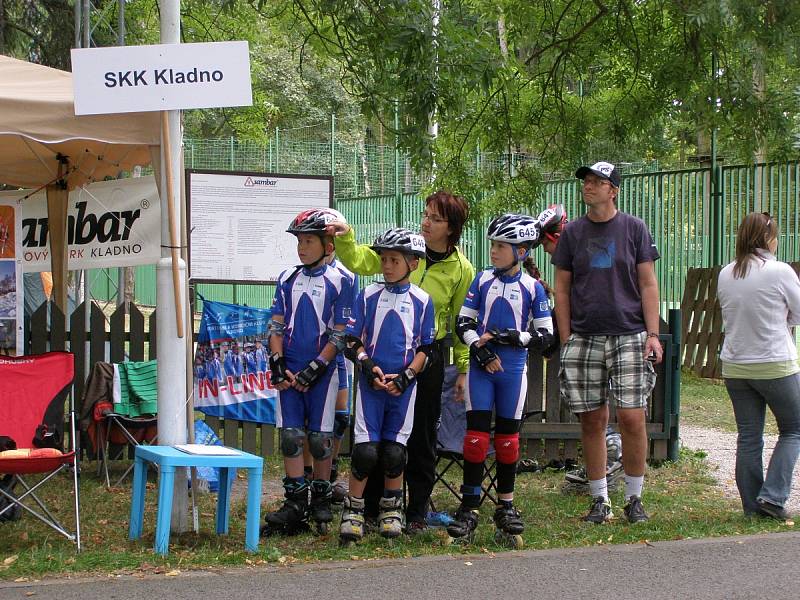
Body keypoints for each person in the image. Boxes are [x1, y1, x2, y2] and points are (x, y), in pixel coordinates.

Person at [328, 190, 475, 533]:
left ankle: (417, 511)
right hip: (382, 356)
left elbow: (460, 322)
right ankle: (372, 507)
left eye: (435, 218)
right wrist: (347, 237)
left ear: (451, 229)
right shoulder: (405, 252)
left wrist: (464, 369)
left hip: (428, 355)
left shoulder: (462, 269)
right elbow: (365, 261)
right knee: (377, 437)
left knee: (421, 436)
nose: (426, 222)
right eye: (425, 214)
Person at [552, 161, 662, 524]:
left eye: (597, 182)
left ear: (613, 190)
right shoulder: (573, 234)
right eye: (586, 180)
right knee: (592, 420)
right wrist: (566, 337)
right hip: (584, 336)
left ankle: (634, 499)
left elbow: (648, 284)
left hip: (629, 333)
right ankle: (600, 500)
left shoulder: (634, 228)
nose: (588, 186)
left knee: (632, 416)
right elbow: (563, 289)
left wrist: (653, 334)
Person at [446, 213, 554, 547]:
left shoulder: (533, 288)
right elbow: (463, 323)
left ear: (521, 252)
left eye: (501, 246)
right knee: (476, 440)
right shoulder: (481, 281)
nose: (494, 251)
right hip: (482, 371)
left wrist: (511, 337)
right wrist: (479, 351)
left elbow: (547, 336)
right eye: (493, 244)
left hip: (513, 373)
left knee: (508, 442)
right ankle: (469, 506)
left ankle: (505, 505)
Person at [338, 228, 435, 543]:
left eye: (394, 259)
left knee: (395, 453)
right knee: (365, 453)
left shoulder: (422, 301)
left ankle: (391, 510)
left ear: (413, 264)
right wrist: (367, 366)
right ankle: (354, 510)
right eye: (383, 259)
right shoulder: (367, 295)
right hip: (371, 387)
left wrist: (407, 376)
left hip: (403, 390)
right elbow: (352, 341)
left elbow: (426, 349)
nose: (387, 265)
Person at [262, 208, 355, 536]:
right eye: (299, 241)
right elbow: (276, 324)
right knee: (290, 437)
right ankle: (295, 502)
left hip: (324, 372)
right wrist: (278, 364)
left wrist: (316, 368)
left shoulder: (344, 279)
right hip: (289, 371)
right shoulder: (287, 278)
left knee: (319, 438)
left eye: (309, 241)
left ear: (328, 244)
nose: (302, 247)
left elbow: (341, 332)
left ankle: (321, 499)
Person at [717, 212, 800, 520]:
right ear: (768, 239)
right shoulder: (780, 271)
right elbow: (798, 312)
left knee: (749, 436)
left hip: (736, 366)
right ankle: (774, 497)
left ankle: (753, 507)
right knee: (794, 429)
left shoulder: (727, 273)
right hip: (775, 363)